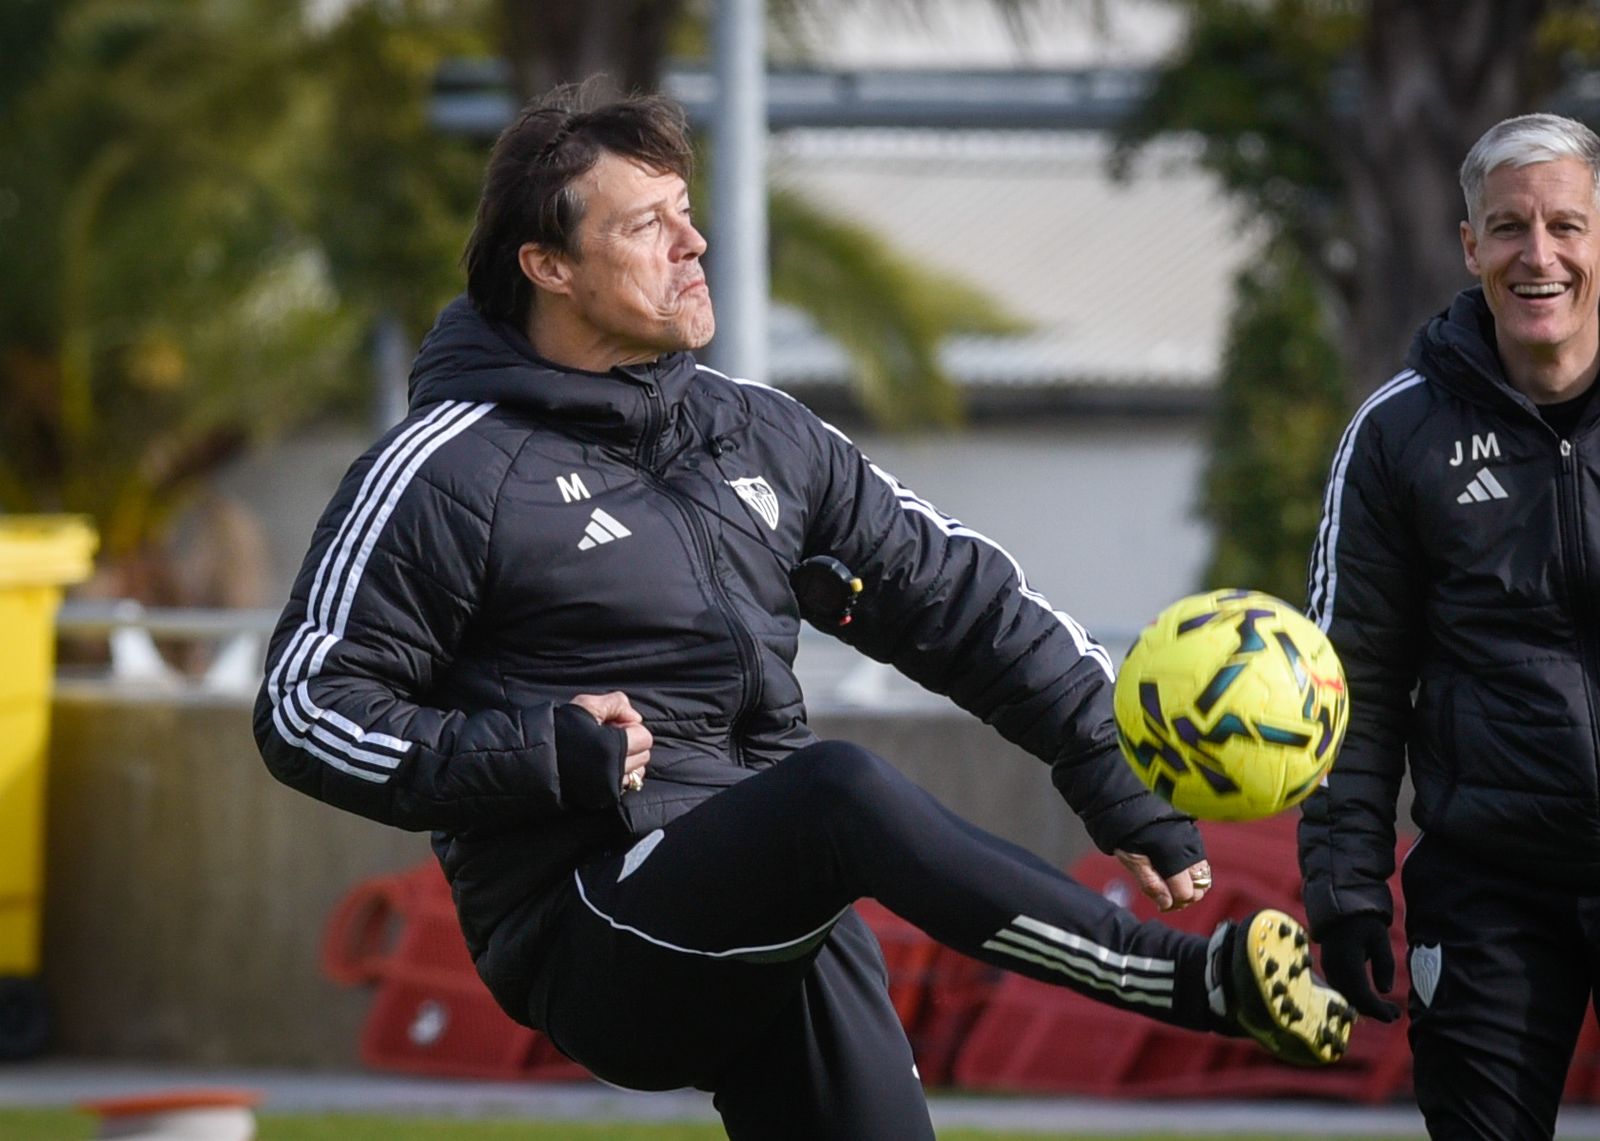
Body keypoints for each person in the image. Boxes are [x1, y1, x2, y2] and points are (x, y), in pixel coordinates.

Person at [255, 86, 1350, 1138]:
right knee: (835, 790)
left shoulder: (759, 432)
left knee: (815, 825)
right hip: (593, 926)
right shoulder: (445, 469)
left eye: (688, 214)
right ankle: (1183, 974)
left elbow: (960, 601)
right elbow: (305, 709)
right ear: (548, 265)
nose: (693, 244)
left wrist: (1114, 775)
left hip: (784, 909)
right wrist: (543, 752)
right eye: (648, 226)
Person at [1299, 111, 1600, 1140]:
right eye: (1508, 228)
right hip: (1489, 889)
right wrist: (1344, 886)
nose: (1540, 254)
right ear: (1468, 246)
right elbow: (1350, 683)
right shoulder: (1396, 434)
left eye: (1566, 224)